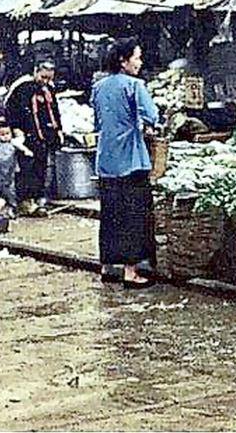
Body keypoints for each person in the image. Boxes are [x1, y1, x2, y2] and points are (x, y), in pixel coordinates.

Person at [92, 38, 160, 288]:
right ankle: (131, 272)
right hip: (131, 159)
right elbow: (151, 115)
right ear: (123, 60)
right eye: (137, 57)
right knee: (134, 215)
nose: (140, 63)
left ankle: (107, 267)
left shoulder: (99, 86)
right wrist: (149, 126)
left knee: (110, 214)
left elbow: (98, 121)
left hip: (106, 160)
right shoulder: (134, 85)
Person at [5, 61, 63, 216]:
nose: (45, 81)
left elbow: (54, 111)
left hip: (44, 135)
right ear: (35, 72)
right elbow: (11, 110)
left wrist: (59, 130)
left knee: (41, 168)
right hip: (27, 134)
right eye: (43, 77)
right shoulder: (22, 88)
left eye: (48, 78)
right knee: (27, 169)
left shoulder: (49, 89)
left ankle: (38, 199)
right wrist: (16, 129)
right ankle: (25, 201)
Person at [0, 120, 33, 219]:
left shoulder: (13, 142)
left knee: (11, 189)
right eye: (2, 134)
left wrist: (27, 151)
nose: (5, 136)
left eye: (7, 133)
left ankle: (12, 206)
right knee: (0, 189)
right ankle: (2, 207)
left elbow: (21, 147)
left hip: (11, 170)